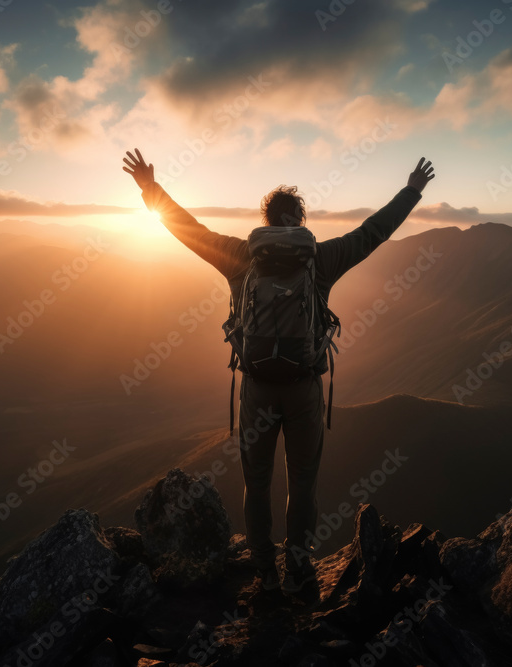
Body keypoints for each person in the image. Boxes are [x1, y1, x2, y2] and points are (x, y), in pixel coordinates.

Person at [123, 148, 434, 595]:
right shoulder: (320, 260)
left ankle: (265, 574)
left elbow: (188, 230)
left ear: (266, 220)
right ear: (301, 221)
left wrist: (150, 189)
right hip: (304, 389)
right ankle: (301, 570)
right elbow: (373, 233)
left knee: (257, 482)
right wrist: (411, 190)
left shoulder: (240, 257)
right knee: (302, 483)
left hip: (256, 389)